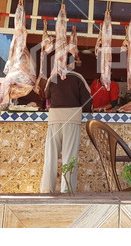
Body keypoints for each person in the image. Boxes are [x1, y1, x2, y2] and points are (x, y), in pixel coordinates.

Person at [40, 56, 92, 194]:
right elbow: (88, 101)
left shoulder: (53, 78)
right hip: (72, 119)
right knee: (69, 156)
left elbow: (46, 95)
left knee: (50, 155)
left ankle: (46, 189)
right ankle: (67, 190)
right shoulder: (78, 77)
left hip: (54, 119)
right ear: (72, 63)